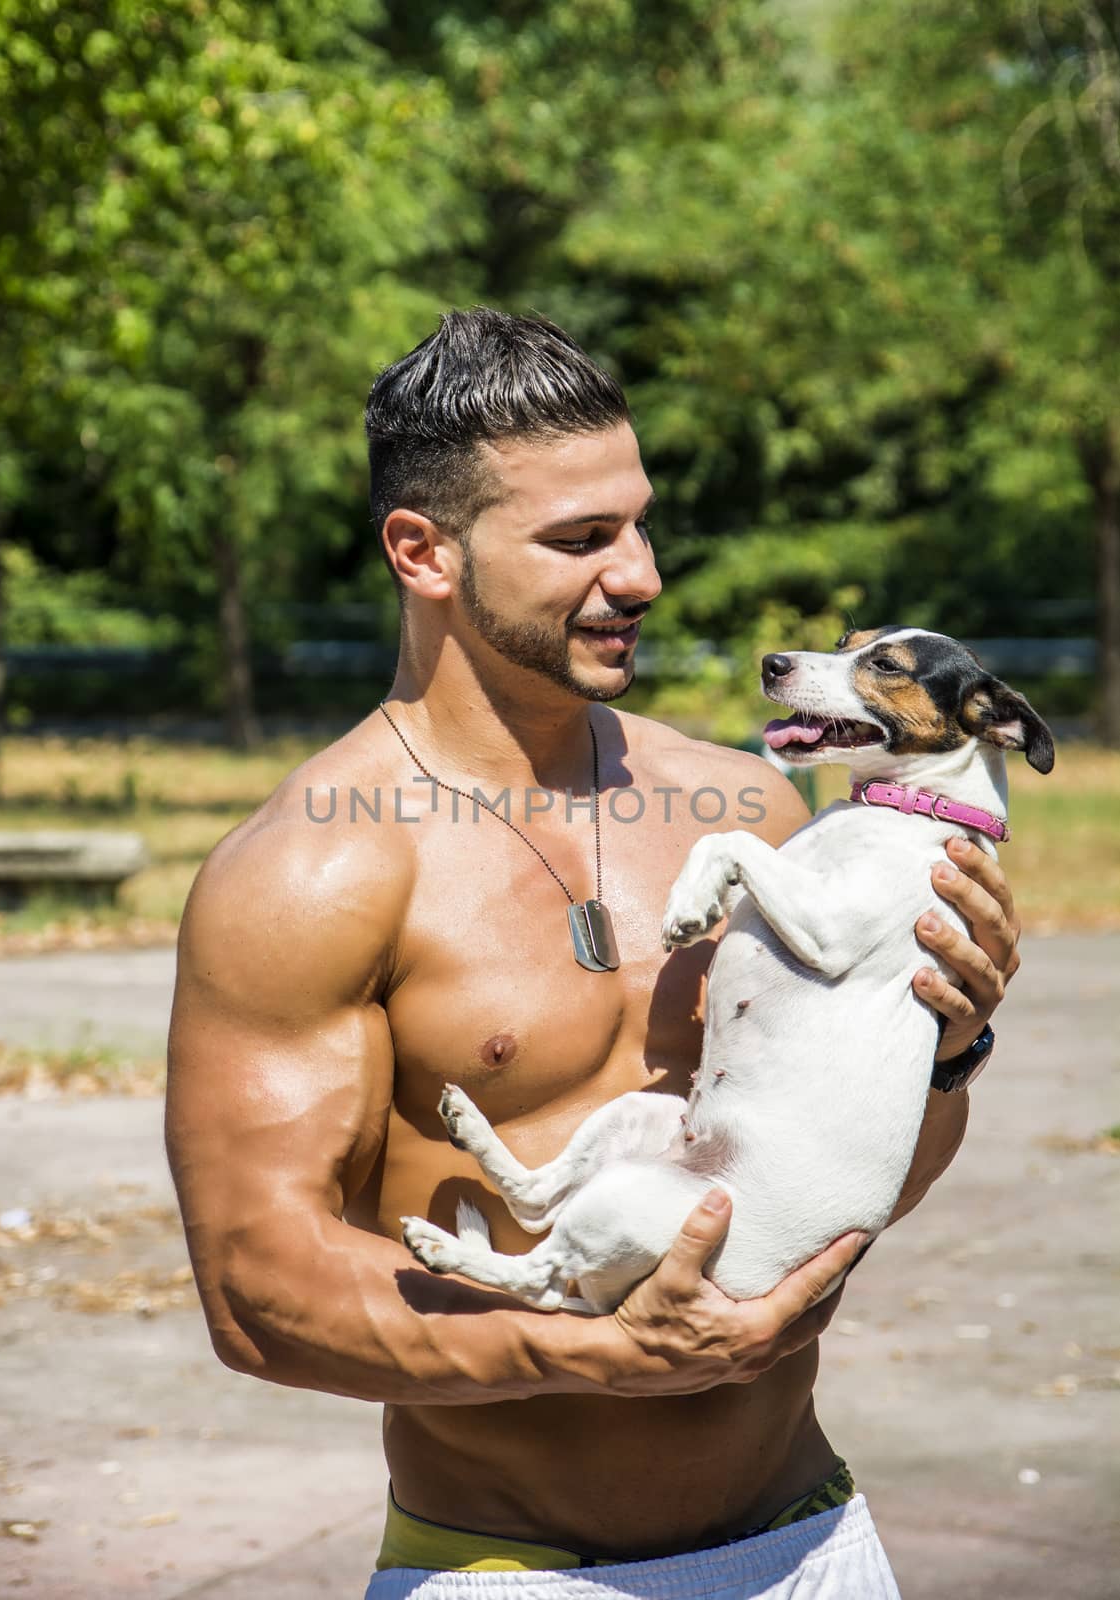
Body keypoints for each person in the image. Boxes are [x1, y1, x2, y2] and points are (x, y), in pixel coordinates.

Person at [166, 308, 1020, 1599]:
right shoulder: (309, 870)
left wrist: (948, 1054)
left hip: (813, 1541)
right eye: (578, 540)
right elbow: (257, 1292)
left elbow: (852, 1176)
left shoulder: (750, 806)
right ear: (422, 552)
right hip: (512, 1569)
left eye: (636, 523)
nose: (640, 576)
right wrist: (581, 1352)